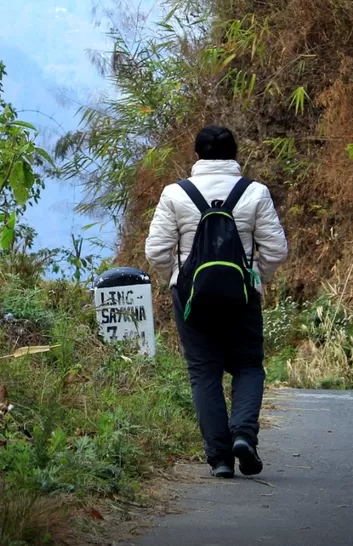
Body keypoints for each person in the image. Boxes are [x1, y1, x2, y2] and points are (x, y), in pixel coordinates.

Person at [145, 125, 289, 478]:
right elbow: (276, 250)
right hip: (241, 296)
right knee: (249, 366)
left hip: (192, 298)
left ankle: (220, 459)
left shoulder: (176, 194)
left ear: (196, 156)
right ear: (234, 155)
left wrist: (178, 279)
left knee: (204, 373)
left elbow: (156, 251)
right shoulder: (254, 193)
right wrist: (256, 279)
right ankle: (243, 434)